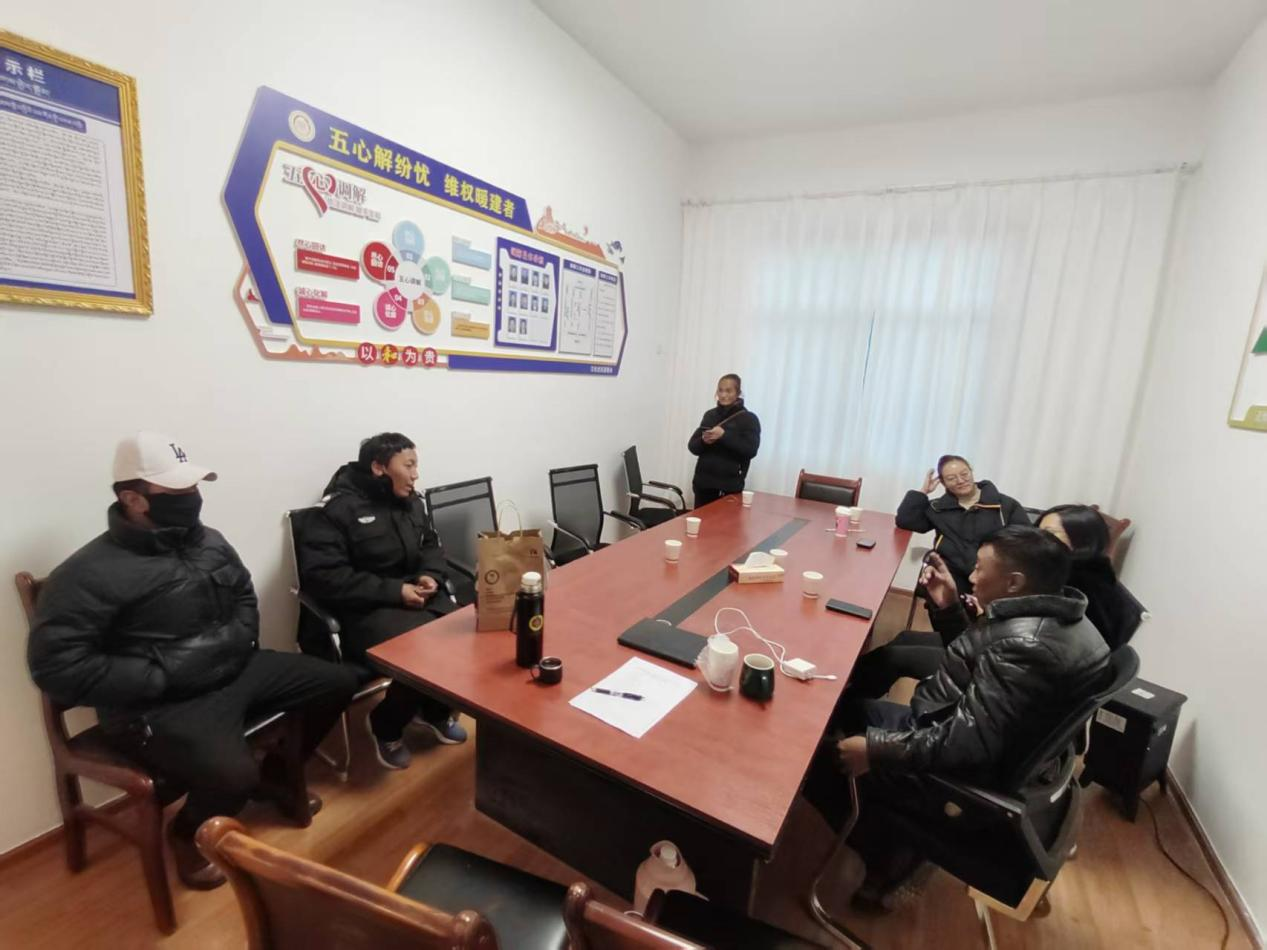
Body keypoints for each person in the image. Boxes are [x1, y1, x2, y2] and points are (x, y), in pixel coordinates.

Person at [27, 433, 357, 890]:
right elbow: (57, 668)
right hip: (161, 702)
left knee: (339, 681)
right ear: (132, 499)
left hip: (233, 670)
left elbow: (244, 597)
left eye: (194, 487)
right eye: (177, 491)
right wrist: (160, 674)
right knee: (232, 774)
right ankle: (188, 833)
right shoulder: (86, 574)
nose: (192, 498)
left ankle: (277, 778)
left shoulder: (209, 541)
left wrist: (236, 642)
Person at [804, 526, 1110, 907]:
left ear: (1014, 582)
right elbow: (979, 664)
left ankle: (886, 855)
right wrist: (948, 608)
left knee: (810, 762)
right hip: (951, 729)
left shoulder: (1026, 646)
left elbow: (966, 745)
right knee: (836, 711)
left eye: (980, 568)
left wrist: (875, 750)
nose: (972, 576)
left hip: (952, 772)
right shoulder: (1059, 617)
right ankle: (887, 823)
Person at [298, 433, 467, 771]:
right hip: (367, 610)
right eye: (409, 465)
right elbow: (325, 578)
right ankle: (386, 725)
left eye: (416, 465)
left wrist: (430, 574)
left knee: (465, 637)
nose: (416, 474)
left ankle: (433, 711)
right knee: (423, 653)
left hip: (417, 598)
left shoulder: (411, 502)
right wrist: (395, 592)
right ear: (379, 467)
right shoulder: (335, 512)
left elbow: (431, 546)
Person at [895, 455, 1029, 593]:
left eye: (964, 474)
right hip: (952, 575)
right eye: (951, 478)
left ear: (971, 472)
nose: (960, 481)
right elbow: (905, 521)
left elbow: (1025, 542)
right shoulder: (938, 508)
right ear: (943, 483)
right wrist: (923, 492)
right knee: (938, 588)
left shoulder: (1005, 505)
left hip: (993, 576)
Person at [1036, 504, 1142, 650]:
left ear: (1080, 540)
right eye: (1038, 531)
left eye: (1050, 533)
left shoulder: (1072, 582)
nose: (1037, 538)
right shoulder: (1097, 568)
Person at [687, 373, 761, 507]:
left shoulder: (749, 419)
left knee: (726, 520)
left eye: (728, 391)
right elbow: (693, 447)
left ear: (738, 393)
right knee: (702, 520)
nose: (723, 395)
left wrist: (724, 435)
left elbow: (751, 450)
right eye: (720, 390)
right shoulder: (710, 415)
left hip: (729, 486)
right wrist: (704, 441)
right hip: (703, 484)